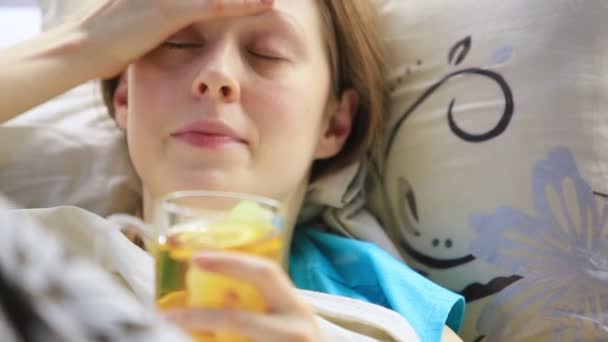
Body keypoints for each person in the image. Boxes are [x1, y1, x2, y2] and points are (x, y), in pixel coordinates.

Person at [0, 0, 464, 340]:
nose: (217, 75)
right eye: (177, 42)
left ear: (335, 122)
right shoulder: (36, 258)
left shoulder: (396, 312)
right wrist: (81, 45)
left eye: (268, 52)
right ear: (124, 98)